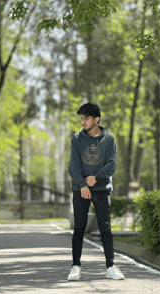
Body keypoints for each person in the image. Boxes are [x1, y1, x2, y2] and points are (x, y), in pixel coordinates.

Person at [67, 103, 125, 281]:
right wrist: (83, 184)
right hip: (81, 189)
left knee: (105, 228)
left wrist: (96, 178)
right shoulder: (77, 138)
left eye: (86, 118)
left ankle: (111, 266)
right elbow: (73, 165)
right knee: (79, 227)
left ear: (96, 119)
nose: (83, 122)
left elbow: (111, 165)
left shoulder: (109, 139)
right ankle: (75, 266)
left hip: (101, 188)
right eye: (82, 119)